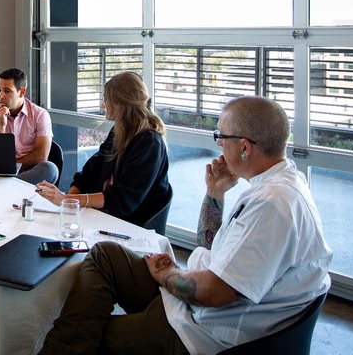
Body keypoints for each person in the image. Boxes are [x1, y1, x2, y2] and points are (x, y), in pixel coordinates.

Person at [39, 95, 333, 355]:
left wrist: (168, 272)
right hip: (191, 301)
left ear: (244, 147)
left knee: (85, 336)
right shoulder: (281, 183)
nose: (218, 144)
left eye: (221, 136)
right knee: (106, 255)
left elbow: (213, 293)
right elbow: (210, 250)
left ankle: (71, 341)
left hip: (199, 331)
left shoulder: (271, 204)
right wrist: (215, 193)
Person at [35, 71, 172, 227]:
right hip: (105, 213)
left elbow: (122, 200)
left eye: (106, 99)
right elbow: (91, 170)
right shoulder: (119, 130)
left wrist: (67, 200)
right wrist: (67, 203)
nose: (102, 104)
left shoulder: (149, 143)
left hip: (130, 222)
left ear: (122, 104)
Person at [0, 67, 58, 185]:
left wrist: (12, 166)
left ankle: (4, 187)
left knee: (50, 169)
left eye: (7, 91)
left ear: (22, 92)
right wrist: (1, 126)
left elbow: (41, 156)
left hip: (30, 172)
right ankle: (6, 187)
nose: (1, 96)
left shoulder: (40, 115)